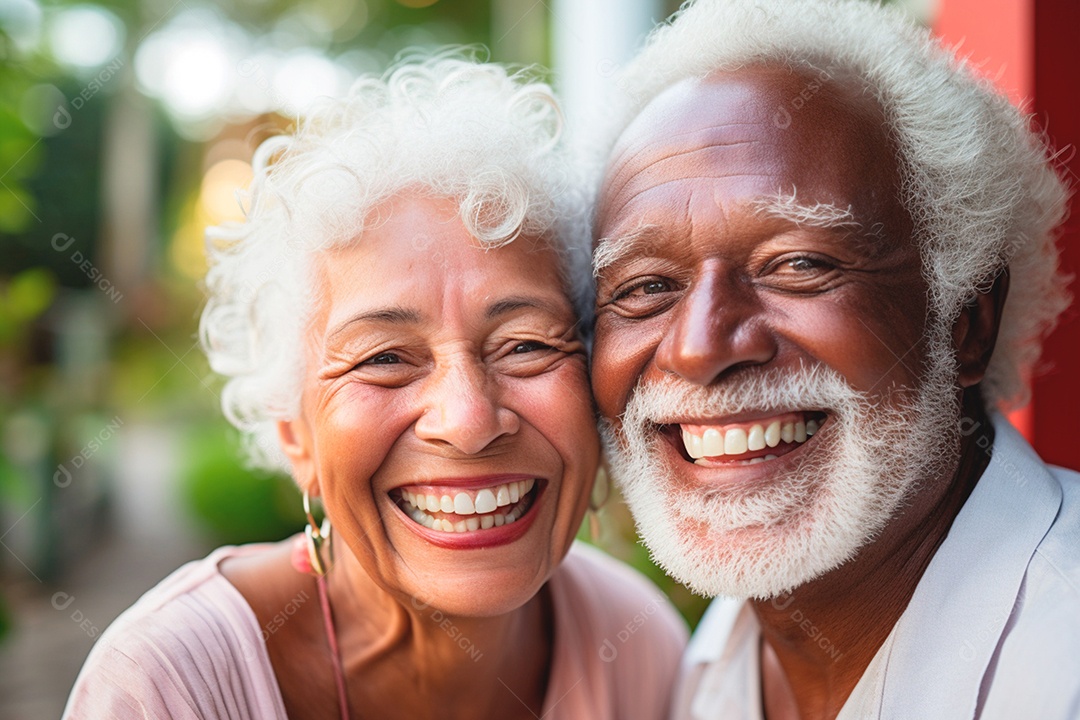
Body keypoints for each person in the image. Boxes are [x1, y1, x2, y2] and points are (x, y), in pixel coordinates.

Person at [63, 56, 687, 719]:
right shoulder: (165, 685)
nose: (468, 420)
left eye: (526, 345)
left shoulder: (636, 642)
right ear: (293, 431)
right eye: (385, 358)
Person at [588, 0, 1079, 718]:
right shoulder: (700, 670)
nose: (698, 348)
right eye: (646, 287)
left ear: (965, 323)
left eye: (799, 264)